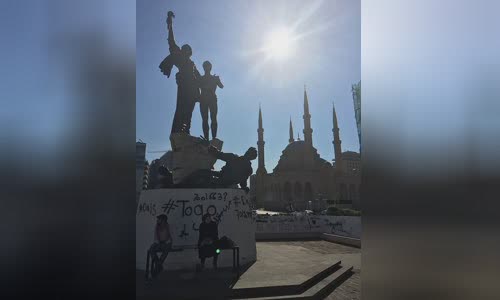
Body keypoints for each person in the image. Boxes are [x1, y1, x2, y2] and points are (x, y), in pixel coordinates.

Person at [159, 11, 201, 135]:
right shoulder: (180, 57)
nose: (187, 51)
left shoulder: (192, 63)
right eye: (186, 49)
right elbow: (171, 40)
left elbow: (199, 77)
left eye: (188, 50)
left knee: (189, 112)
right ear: (183, 51)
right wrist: (170, 24)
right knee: (182, 109)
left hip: (193, 89)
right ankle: (178, 131)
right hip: (184, 86)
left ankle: (186, 130)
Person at [199, 61, 224, 140]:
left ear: (210, 67)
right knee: (205, 119)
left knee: (213, 118)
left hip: (212, 99)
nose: (206, 68)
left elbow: (221, 86)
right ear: (203, 68)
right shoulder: (201, 78)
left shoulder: (214, 78)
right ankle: (206, 138)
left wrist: (217, 80)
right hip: (203, 100)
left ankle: (214, 138)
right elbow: (195, 85)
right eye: (205, 66)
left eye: (207, 66)